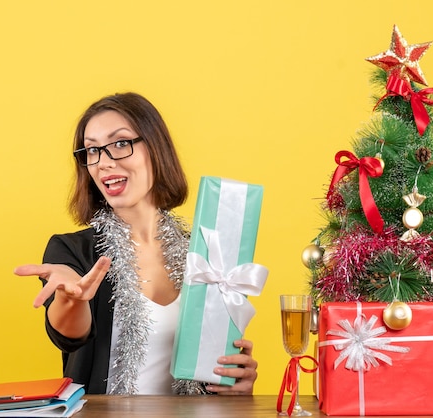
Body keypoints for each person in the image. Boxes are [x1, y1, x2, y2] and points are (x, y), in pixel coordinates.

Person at [14, 92, 258, 396]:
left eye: (120, 143)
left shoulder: (207, 254)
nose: (103, 162)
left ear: (156, 149)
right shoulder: (71, 251)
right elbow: (71, 335)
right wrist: (73, 299)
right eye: (92, 150)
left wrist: (234, 381)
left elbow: (216, 359)